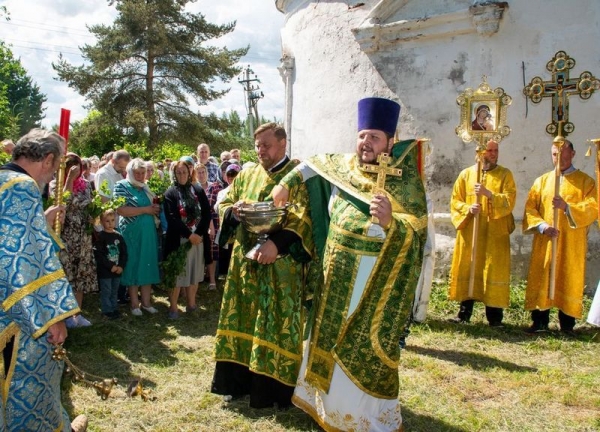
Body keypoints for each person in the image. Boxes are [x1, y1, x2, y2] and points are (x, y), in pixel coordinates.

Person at [273, 97, 428, 431]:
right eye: (361, 135)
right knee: (326, 338)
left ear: (390, 139)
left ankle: (360, 416)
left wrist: (391, 222)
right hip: (334, 277)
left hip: (372, 284)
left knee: (358, 344)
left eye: (374, 136)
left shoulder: (405, 180)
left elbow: (416, 233)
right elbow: (313, 164)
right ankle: (326, 408)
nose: (365, 143)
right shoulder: (343, 167)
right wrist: (286, 183)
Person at [210, 122, 314, 409]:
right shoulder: (246, 173)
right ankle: (237, 384)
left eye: (266, 145)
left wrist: (276, 245)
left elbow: (303, 218)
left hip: (281, 269)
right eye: (257, 146)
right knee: (242, 318)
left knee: (275, 324)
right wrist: (233, 211)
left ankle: (273, 392)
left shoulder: (296, 177)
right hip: (245, 264)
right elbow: (224, 202)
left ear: (283, 143)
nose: (260, 151)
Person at [0, 128, 87, 431]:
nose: (51, 179)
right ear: (48, 160)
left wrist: (43, 225)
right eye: (55, 169)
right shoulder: (22, 187)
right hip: (13, 318)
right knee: (27, 389)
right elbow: (21, 263)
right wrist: (52, 317)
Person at [523, 139, 597, 333]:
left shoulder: (585, 182)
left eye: (564, 153)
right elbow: (530, 208)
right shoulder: (542, 181)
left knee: (568, 276)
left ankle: (567, 325)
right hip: (546, 240)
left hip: (571, 242)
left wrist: (567, 208)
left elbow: (593, 207)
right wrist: (542, 226)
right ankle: (539, 321)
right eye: (555, 154)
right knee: (544, 275)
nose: (559, 158)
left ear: (572, 154)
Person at [448, 140, 516, 326]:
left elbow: (510, 200)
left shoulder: (505, 175)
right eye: (490, 150)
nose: (493, 154)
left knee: (493, 270)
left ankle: (495, 318)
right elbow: (455, 202)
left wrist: (489, 194)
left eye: (496, 150)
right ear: (480, 153)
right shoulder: (466, 175)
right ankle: (464, 314)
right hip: (471, 233)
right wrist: (469, 209)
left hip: (495, 234)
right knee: (469, 267)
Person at [50, 152, 98, 328]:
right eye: (70, 165)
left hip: (83, 236)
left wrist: (94, 214)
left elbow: (90, 204)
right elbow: (64, 203)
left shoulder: (86, 185)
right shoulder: (55, 184)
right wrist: (68, 179)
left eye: (77, 165)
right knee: (67, 273)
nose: (75, 169)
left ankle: (77, 313)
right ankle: (64, 315)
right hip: (66, 236)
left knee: (80, 273)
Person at [163, 160, 211, 319]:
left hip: (198, 240)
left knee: (195, 273)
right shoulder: (170, 193)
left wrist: (198, 234)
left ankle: (191, 304)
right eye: (179, 172)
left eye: (185, 171)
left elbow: (206, 213)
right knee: (177, 274)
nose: (182, 175)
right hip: (179, 241)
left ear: (190, 172)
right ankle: (173, 307)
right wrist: (189, 235)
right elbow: (172, 218)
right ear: (174, 174)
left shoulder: (197, 189)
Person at [114, 158, 161, 316]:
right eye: (137, 173)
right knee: (133, 264)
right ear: (130, 172)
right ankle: (134, 304)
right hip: (131, 233)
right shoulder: (121, 186)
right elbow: (121, 210)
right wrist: (146, 210)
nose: (140, 176)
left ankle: (146, 303)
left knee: (147, 263)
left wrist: (154, 209)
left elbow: (151, 208)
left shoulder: (144, 188)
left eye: (143, 173)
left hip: (148, 231)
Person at [93, 209, 128, 320]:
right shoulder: (100, 237)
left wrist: (121, 266)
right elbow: (99, 255)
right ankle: (107, 311)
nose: (110, 223)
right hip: (105, 272)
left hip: (117, 270)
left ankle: (114, 308)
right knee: (106, 291)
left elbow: (124, 253)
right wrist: (110, 266)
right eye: (107, 221)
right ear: (102, 222)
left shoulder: (119, 236)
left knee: (114, 291)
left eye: (112, 220)